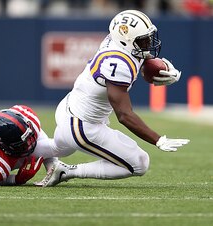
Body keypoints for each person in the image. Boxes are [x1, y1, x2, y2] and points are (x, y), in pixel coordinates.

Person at [35, 10, 190, 187]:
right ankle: (66, 171)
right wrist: (158, 139)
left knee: (56, 148)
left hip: (71, 108)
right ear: (127, 40)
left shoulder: (117, 41)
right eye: (143, 40)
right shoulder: (117, 63)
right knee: (139, 163)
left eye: (148, 37)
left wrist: (157, 67)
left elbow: (141, 61)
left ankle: (12, 150)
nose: (148, 43)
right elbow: (124, 115)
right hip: (83, 126)